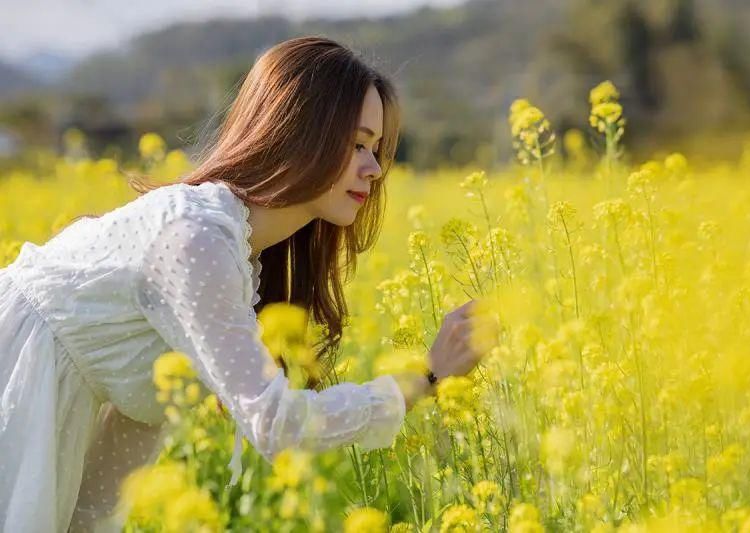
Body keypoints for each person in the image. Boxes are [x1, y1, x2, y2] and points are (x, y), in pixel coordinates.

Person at [0, 36, 493, 532]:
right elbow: (276, 425)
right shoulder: (195, 239)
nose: (374, 168)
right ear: (299, 131)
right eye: (357, 144)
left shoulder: (237, 259)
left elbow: (106, 479)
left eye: (377, 150)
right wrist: (424, 378)